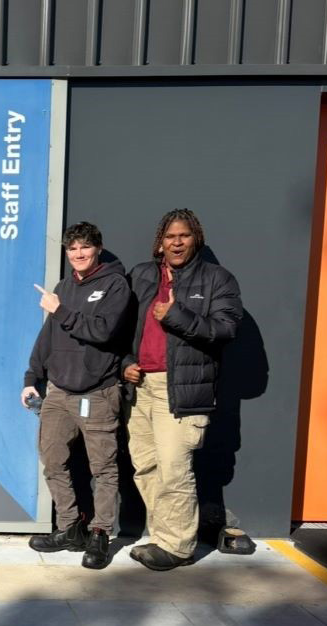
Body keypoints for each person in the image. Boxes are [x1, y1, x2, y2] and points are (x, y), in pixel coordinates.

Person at [122, 208, 242, 571]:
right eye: (170, 236)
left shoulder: (217, 279)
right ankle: (162, 535)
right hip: (140, 386)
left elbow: (225, 329)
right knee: (145, 466)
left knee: (174, 468)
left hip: (182, 389)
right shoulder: (142, 275)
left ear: (196, 239)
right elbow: (121, 325)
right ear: (160, 242)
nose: (177, 242)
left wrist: (176, 316)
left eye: (184, 236)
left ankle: (177, 546)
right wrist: (125, 360)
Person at [22, 222, 130, 569]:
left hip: (98, 391)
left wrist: (60, 310)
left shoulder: (115, 285)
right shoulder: (63, 287)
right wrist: (31, 377)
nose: (79, 254)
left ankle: (100, 532)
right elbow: (48, 336)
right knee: (52, 461)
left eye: (85, 247)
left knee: (103, 468)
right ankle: (70, 528)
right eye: (72, 249)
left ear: (98, 248)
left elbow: (102, 331)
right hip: (59, 392)